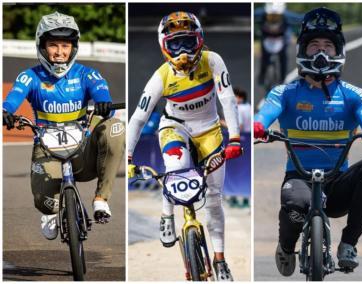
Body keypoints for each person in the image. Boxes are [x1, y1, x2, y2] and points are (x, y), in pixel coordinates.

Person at [254, 7, 362, 276]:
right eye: (314, 46)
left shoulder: (356, 95)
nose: (321, 52)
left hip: (337, 184)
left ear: (339, 52)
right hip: (298, 177)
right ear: (302, 51)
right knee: (295, 207)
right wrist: (259, 126)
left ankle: (348, 244)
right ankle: (286, 247)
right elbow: (264, 114)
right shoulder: (283, 92)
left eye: (328, 46)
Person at [128, 11, 242, 281]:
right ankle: (167, 214)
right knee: (175, 167)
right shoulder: (161, 76)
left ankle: (220, 259)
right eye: (175, 44)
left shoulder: (213, 61)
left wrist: (235, 137)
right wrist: (129, 158)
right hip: (174, 127)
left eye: (188, 43)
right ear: (164, 45)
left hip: (210, 130)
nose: (182, 52)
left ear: (199, 41)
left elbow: (228, 100)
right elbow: (137, 119)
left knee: (214, 200)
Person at [2, 12, 125, 240]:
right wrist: (5, 112)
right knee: (47, 205)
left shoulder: (88, 74)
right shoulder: (29, 77)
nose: (60, 52)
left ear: (74, 47)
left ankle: (101, 199)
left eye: (65, 45)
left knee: (116, 128)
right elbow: (12, 99)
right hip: (46, 150)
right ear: (42, 46)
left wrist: (103, 104)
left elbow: (101, 92)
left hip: (81, 149)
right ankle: (50, 213)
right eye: (53, 45)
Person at [255, 2, 302, 86]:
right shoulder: (261, 14)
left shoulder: (287, 16)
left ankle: (282, 79)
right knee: (264, 59)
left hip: (281, 38)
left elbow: (300, 18)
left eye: (277, 16)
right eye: (270, 16)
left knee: (283, 58)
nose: (273, 19)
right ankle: (262, 76)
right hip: (267, 38)